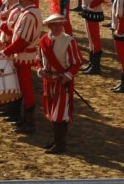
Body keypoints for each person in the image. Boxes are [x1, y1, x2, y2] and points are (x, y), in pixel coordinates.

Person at [36, 14, 83, 154]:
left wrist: (66, 77)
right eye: (54, 25)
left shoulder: (69, 41)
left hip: (62, 82)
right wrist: (40, 70)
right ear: (49, 26)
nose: (58, 28)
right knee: (52, 111)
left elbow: (76, 62)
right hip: (48, 81)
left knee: (60, 113)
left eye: (60, 25)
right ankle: (57, 140)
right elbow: (39, 59)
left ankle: (60, 145)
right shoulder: (43, 40)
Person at [1, 0, 43, 134]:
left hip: (24, 55)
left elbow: (22, 41)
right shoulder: (29, 13)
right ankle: (23, 117)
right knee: (22, 87)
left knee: (26, 89)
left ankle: (29, 120)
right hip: (22, 54)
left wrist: (7, 51)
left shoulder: (29, 15)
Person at [80, 0, 108, 75]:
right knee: (91, 39)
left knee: (94, 39)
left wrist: (91, 6)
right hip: (89, 9)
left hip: (93, 10)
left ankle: (95, 65)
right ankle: (92, 62)